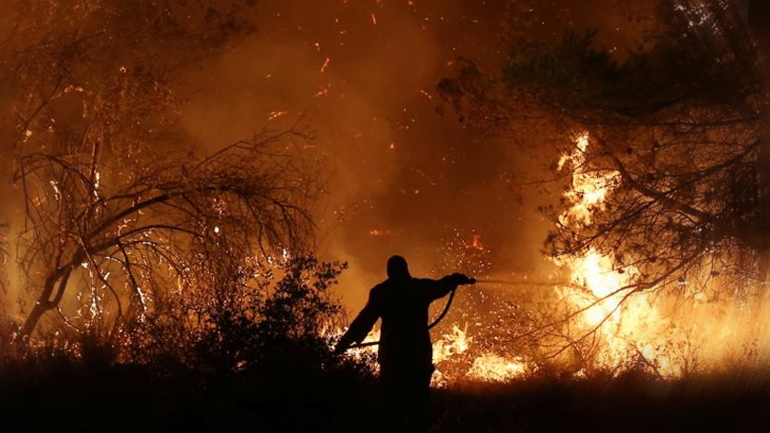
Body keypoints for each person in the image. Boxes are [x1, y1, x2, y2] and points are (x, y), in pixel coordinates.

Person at [335, 255, 474, 431]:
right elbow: (441, 285)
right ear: (406, 269)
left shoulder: (382, 292)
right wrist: (456, 278)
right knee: (419, 404)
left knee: (392, 404)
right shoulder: (420, 287)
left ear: (389, 272)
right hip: (418, 353)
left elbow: (365, 319)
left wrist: (344, 342)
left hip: (393, 355)